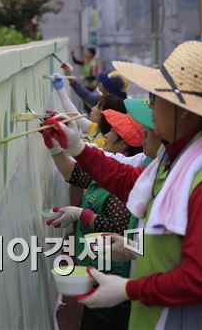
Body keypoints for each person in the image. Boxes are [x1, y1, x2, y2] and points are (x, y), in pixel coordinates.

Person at [44, 41, 202, 330]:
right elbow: (130, 182)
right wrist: (77, 148)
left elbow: (201, 280)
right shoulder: (175, 161)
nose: (150, 107)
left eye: (155, 99)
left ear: (181, 110)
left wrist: (127, 290)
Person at [41, 109, 144, 330]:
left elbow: (117, 227)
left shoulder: (127, 176)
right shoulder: (113, 166)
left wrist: (80, 215)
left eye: (113, 132)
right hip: (98, 270)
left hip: (112, 277)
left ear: (125, 145)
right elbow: (74, 174)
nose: (106, 134)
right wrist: (55, 148)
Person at [51, 72, 127, 148]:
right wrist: (61, 90)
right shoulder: (96, 129)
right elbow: (76, 116)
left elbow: (78, 149)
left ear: (105, 114)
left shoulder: (103, 143)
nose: (93, 108)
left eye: (98, 107)